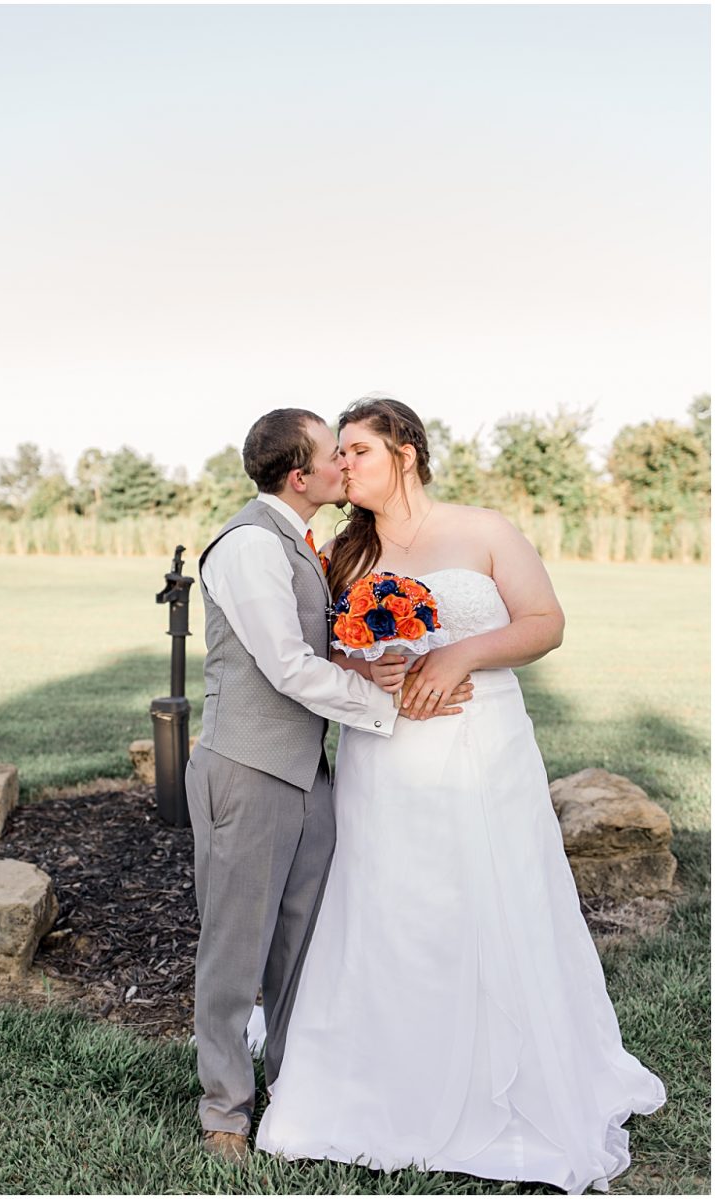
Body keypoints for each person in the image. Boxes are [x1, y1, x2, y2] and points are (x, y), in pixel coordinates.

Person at [255, 394, 665, 1192]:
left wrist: (457, 656)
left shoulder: (483, 530)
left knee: (489, 896)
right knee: (392, 904)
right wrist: (368, 669)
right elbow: (325, 655)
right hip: (385, 755)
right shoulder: (343, 549)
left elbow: (545, 621)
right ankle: (385, 1082)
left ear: (406, 449)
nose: (344, 466)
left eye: (359, 450)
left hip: (484, 746)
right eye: (338, 453)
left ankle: (506, 1078)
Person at [186, 408, 472, 1163]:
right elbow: (283, 666)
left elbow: (314, 652)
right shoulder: (250, 544)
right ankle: (224, 1112)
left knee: (301, 942)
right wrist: (386, 706)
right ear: (298, 474)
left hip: (307, 772)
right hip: (248, 768)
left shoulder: (304, 545)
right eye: (331, 456)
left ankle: (296, 1083)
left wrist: (366, 664)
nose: (344, 467)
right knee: (235, 948)